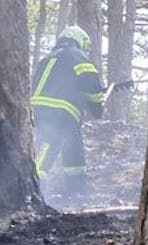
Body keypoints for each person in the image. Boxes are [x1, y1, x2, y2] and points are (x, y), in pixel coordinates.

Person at [30, 26, 105, 205]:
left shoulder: (47, 59)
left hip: (37, 110)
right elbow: (92, 85)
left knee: (47, 146)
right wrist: (97, 108)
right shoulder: (76, 56)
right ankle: (75, 191)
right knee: (66, 149)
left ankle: (38, 188)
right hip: (61, 111)